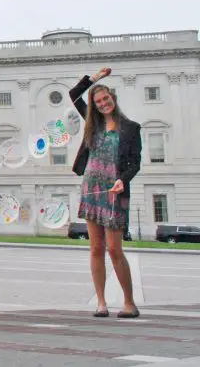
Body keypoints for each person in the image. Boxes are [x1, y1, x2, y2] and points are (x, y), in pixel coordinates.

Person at [70, 67, 142, 319]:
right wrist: (95, 79)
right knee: (95, 248)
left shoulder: (131, 128)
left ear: (113, 98)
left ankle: (129, 303)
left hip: (114, 191)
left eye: (106, 99)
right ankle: (101, 303)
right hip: (92, 188)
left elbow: (135, 161)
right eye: (98, 101)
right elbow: (74, 94)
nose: (103, 104)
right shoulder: (93, 123)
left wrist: (124, 179)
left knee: (114, 249)